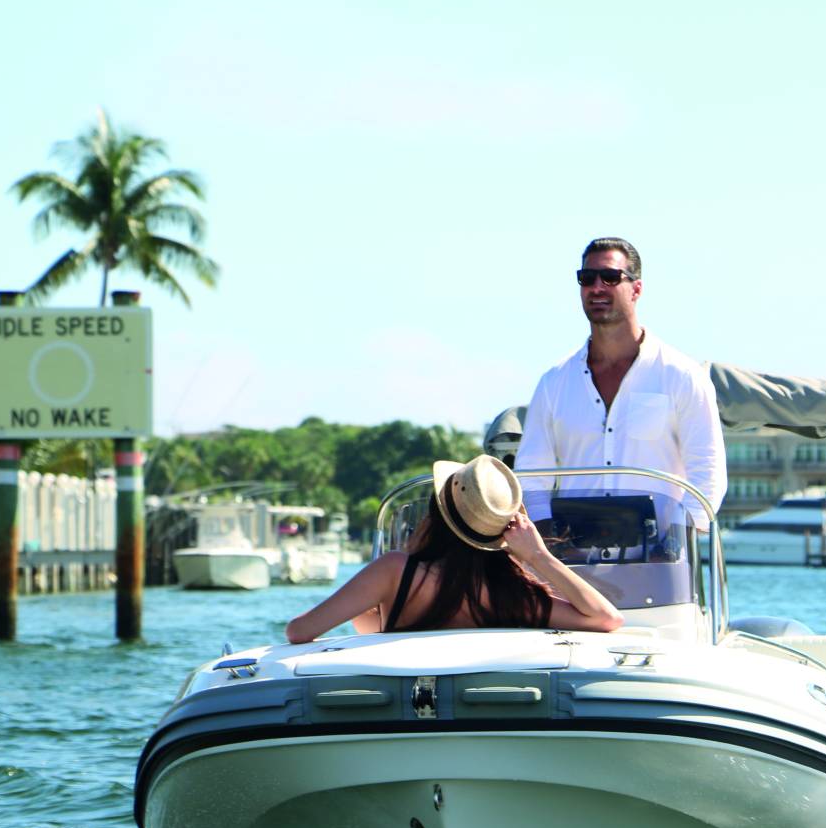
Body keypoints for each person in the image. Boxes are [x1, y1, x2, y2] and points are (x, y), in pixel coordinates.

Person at [285, 454, 623, 642]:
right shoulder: (512, 594)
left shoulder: (395, 571)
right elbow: (607, 619)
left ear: (436, 513)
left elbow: (299, 631)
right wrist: (537, 556)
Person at [513, 237, 726, 528]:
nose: (597, 287)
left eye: (610, 277)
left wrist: (677, 541)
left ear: (636, 289)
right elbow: (530, 476)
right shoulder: (554, 383)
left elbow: (708, 473)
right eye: (587, 278)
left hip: (663, 552)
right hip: (571, 551)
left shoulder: (683, 376)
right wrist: (547, 536)